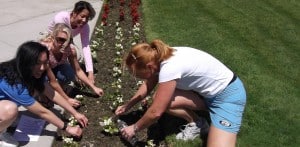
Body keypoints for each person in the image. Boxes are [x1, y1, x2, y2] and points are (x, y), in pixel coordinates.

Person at [115, 39, 247, 146]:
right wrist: (128, 105)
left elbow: (156, 112)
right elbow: (148, 85)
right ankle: (198, 123)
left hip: (228, 97)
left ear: (149, 66)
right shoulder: (159, 57)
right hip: (205, 95)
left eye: (138, 74)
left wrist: (134, 128)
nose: (139, 77)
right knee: (159, 99)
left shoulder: (170, 67)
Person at [0, 41, 88, 147]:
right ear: (26, 62)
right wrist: (68, 128)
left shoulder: (27, 70)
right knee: (10, 109)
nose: (42, 68)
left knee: (34, 90)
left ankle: (7, 120)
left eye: (45, 62)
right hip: (6, 103)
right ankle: (2, 132)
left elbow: (52, 93)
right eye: (37, 63)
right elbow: (42, 112)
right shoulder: (12, 82)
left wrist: (75, 113)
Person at [40, 23, 103, 107]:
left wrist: (93, 87)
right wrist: (67, 99)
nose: (64, 44)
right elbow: (53, 81)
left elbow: (78, 70)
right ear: (53, 38)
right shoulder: (45, 50)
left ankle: (60, 90)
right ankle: (42, 96)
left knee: (69, 72)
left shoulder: (70, 49)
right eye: (61, 39)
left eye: (68, 40)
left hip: (54, 67)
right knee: (42, 79)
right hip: (40, 71)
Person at [47, 1, 96, 83]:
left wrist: (90, 73)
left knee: (77, 54)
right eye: (82, 16)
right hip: (52, 38)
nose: (84, 20)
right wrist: (76, 72)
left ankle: (64, 70)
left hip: (67, 40)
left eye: (87, 18)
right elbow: (59, 41)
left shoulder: (84, 27)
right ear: (74, 13)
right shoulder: (61, 18)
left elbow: (86, 47)